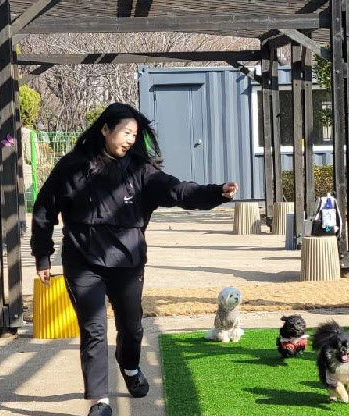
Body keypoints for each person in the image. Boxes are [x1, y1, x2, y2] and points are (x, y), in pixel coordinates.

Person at [30, 103, 239, 416]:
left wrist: (215, 192)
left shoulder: (141, 170)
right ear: (105, 129)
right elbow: (45, 208)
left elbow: (177, 190)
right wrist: (43, 254)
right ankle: (98, 401)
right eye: (125, 132)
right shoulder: (71, 166)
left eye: (135, 134)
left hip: (127, 262)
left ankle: (129, 366)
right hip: (82, 261)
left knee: (131, 327)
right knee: (94, 330)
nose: (130, 139)